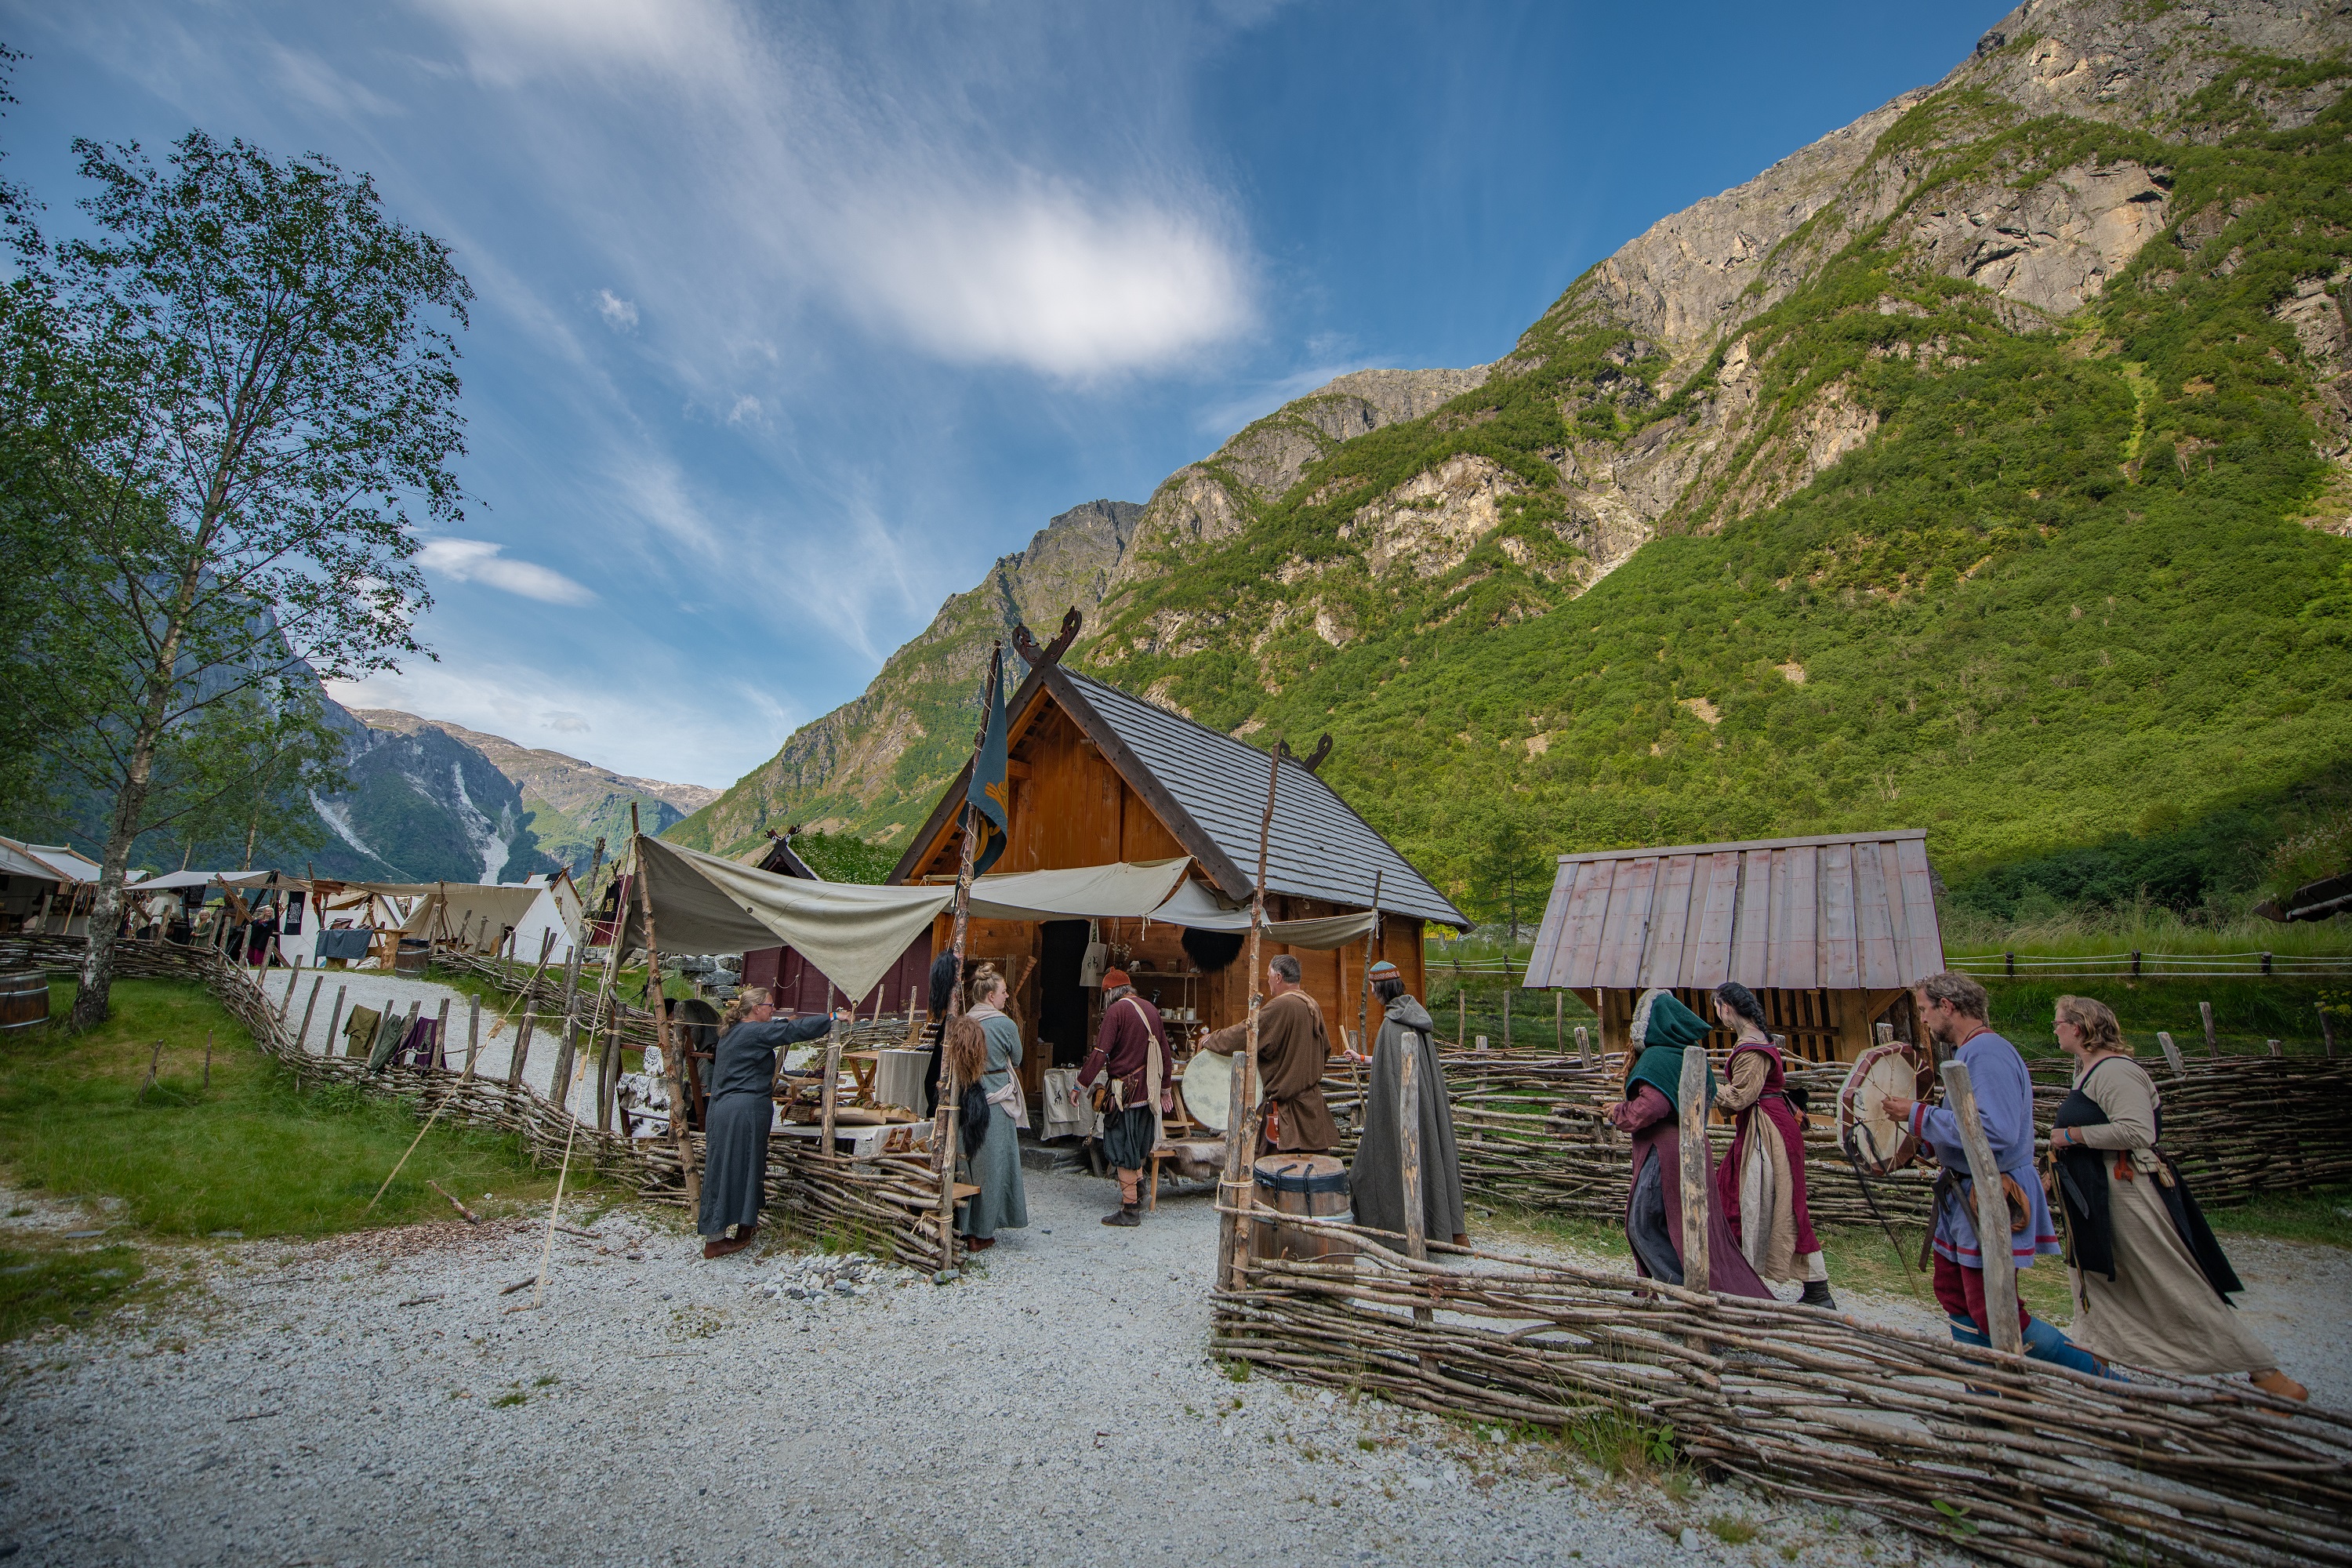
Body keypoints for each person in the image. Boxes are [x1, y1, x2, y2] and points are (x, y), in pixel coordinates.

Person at [2047, 995, 2306, 1399]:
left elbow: (2139, 1132)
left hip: (2127, 1192)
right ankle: (2096, 1374)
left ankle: (2272, 1380)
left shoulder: (2116, 1072)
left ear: (2078, 1028)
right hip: (2099, 1196)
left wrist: (2071, 1136)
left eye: (2059, 1023)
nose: (2055, 1029)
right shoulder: (2089, 1071)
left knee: (2169, 1280)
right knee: (2094, 1279)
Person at [1879, 971, 2111, 1374]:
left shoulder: (1988, 1053)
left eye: (1924, 1010)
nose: (1924, 1019)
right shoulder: (1969, 1052)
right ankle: (1985, 1398)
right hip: (1963, 1194)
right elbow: (1966, 1125)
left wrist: (1918, 1115)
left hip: (1988, 1192)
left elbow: (1995, 1132)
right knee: (1953, 1294)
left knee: (1994, 1310)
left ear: (1947, 1007)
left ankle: (2106, 1377)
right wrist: (1930, 1141)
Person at [1600, 989, 1773, 1298]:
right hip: (1691, 1149)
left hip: (1666, 1154)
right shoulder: (1690, 1054)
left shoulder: (1658, 1057)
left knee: (1644, 1226)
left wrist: (1619, 1112)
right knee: (1682, 1229)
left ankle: (1688, 1297)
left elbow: (1652, 1107)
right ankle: (1685, 1294)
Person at [699, 986, 844, 1260]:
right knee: (731, 1167)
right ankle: (715, 1240)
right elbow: (790, 1032)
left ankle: (742, 1225)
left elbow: (780, 1026)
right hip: (741, 1110)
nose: (772, 1009)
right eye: (769, 1005)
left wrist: (786, 1022)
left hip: (726, 1109)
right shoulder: (752, 1032)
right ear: (756, 1009)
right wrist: (832, 1017)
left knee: (740, 1165)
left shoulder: (735, 1030)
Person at [1711, 982, 1833, 1307]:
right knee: (1745, 1197)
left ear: (1726, 1008)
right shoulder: (1753, 1041)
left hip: (1767, 1133)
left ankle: (1811, 1291)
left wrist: (1706, 1085)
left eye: (1718, 1008)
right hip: (1764, 1125)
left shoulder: (1751, 1048)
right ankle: (1741, 1277)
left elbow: (1740, 1097)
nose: (1718, 1016)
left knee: (1755, 1201)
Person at [1348, 959, 1468, 1249]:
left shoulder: (1393, 1024)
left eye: (1373, 987)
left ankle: (1397, 1229)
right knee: (1430, 1155)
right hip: (1424, 1110)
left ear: (1380, 988)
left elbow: (1397, 1068)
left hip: (1401, 1114)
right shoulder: (1415, 1016)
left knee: (1377, 1168)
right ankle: (1449, 1230)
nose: (1372, 992)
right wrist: (1364, 1059)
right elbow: (1399, 1061)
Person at [1200, 953, 1336, 1154]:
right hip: (1312, 1111)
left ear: (1279, 977)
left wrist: (1211, 1039)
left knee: (1277, 1176)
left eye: (1269, 975)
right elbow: (1326, 1050)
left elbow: (1246, 1033)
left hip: (1288, 1117)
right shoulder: (1312, 1004)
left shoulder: (1282, 1006)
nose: (1268, 980)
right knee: (1310, 1175)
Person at [1076, 967, 1176, 1228]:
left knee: (1120, 1146)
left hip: (1125, 1093)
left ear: (1110, 992)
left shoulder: (1116, 1011)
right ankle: (1140, 1190)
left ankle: (1130, 1209)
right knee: (1136, 1145)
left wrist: (1080, 1084)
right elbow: (1165, 1052)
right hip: (1148, 1092)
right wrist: (1165, 1089)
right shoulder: (1151, 1010)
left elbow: (1100, 1053)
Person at [956, 964, 1029, 1250]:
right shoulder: (1005, 1024)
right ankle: (984, 1232)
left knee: (967, 1164)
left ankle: (965, 1228)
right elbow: (1019, 1058)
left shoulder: (961, 1022)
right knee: (993, 1166)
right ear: (989, 995)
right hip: (996, 1101)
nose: (1006, 996)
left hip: (966, 1099)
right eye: (1002, 992)